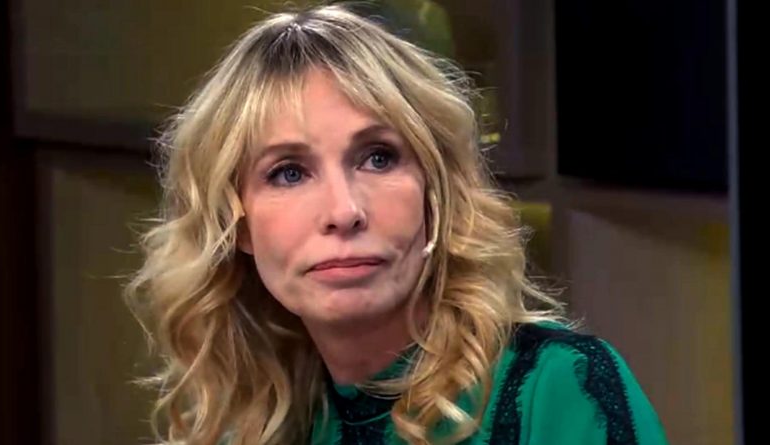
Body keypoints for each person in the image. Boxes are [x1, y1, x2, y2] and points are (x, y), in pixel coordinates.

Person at [126, 4, 670, 445]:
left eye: (378, 158)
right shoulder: (246, 428)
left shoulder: (556, 389)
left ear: (435, 193)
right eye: (289, 172)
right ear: (237, 224)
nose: (344, 211)